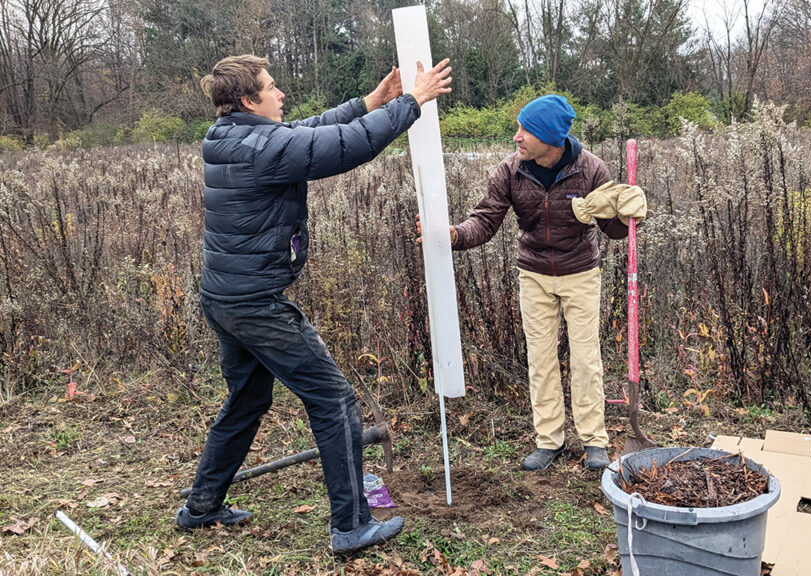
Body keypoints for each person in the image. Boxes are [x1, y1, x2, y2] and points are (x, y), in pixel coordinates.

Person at [177, 54, 451, 555]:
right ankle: (351, 526)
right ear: (247, 100)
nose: (280, 94)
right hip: (256, 305)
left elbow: (310, 131)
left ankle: (201, 505)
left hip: (224, 298)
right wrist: (413, 101)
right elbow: (343, 146)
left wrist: (373, 101)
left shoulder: (228, 137)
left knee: (247, 399)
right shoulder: (261, 145)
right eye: (271, 87)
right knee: (333, 400)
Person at [431, 94, 646, 472]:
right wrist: (454, 235)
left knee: (585, 360)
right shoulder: (510, 172)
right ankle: (550, 441)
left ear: (550, 138)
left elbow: (612, 230)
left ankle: (594, 440)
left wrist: (629, 214)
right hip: (533, 273)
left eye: (525, 130)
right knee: (541, 360)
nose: (517, 137)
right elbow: (484, 220)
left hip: (580, 272)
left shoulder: (590, 169)